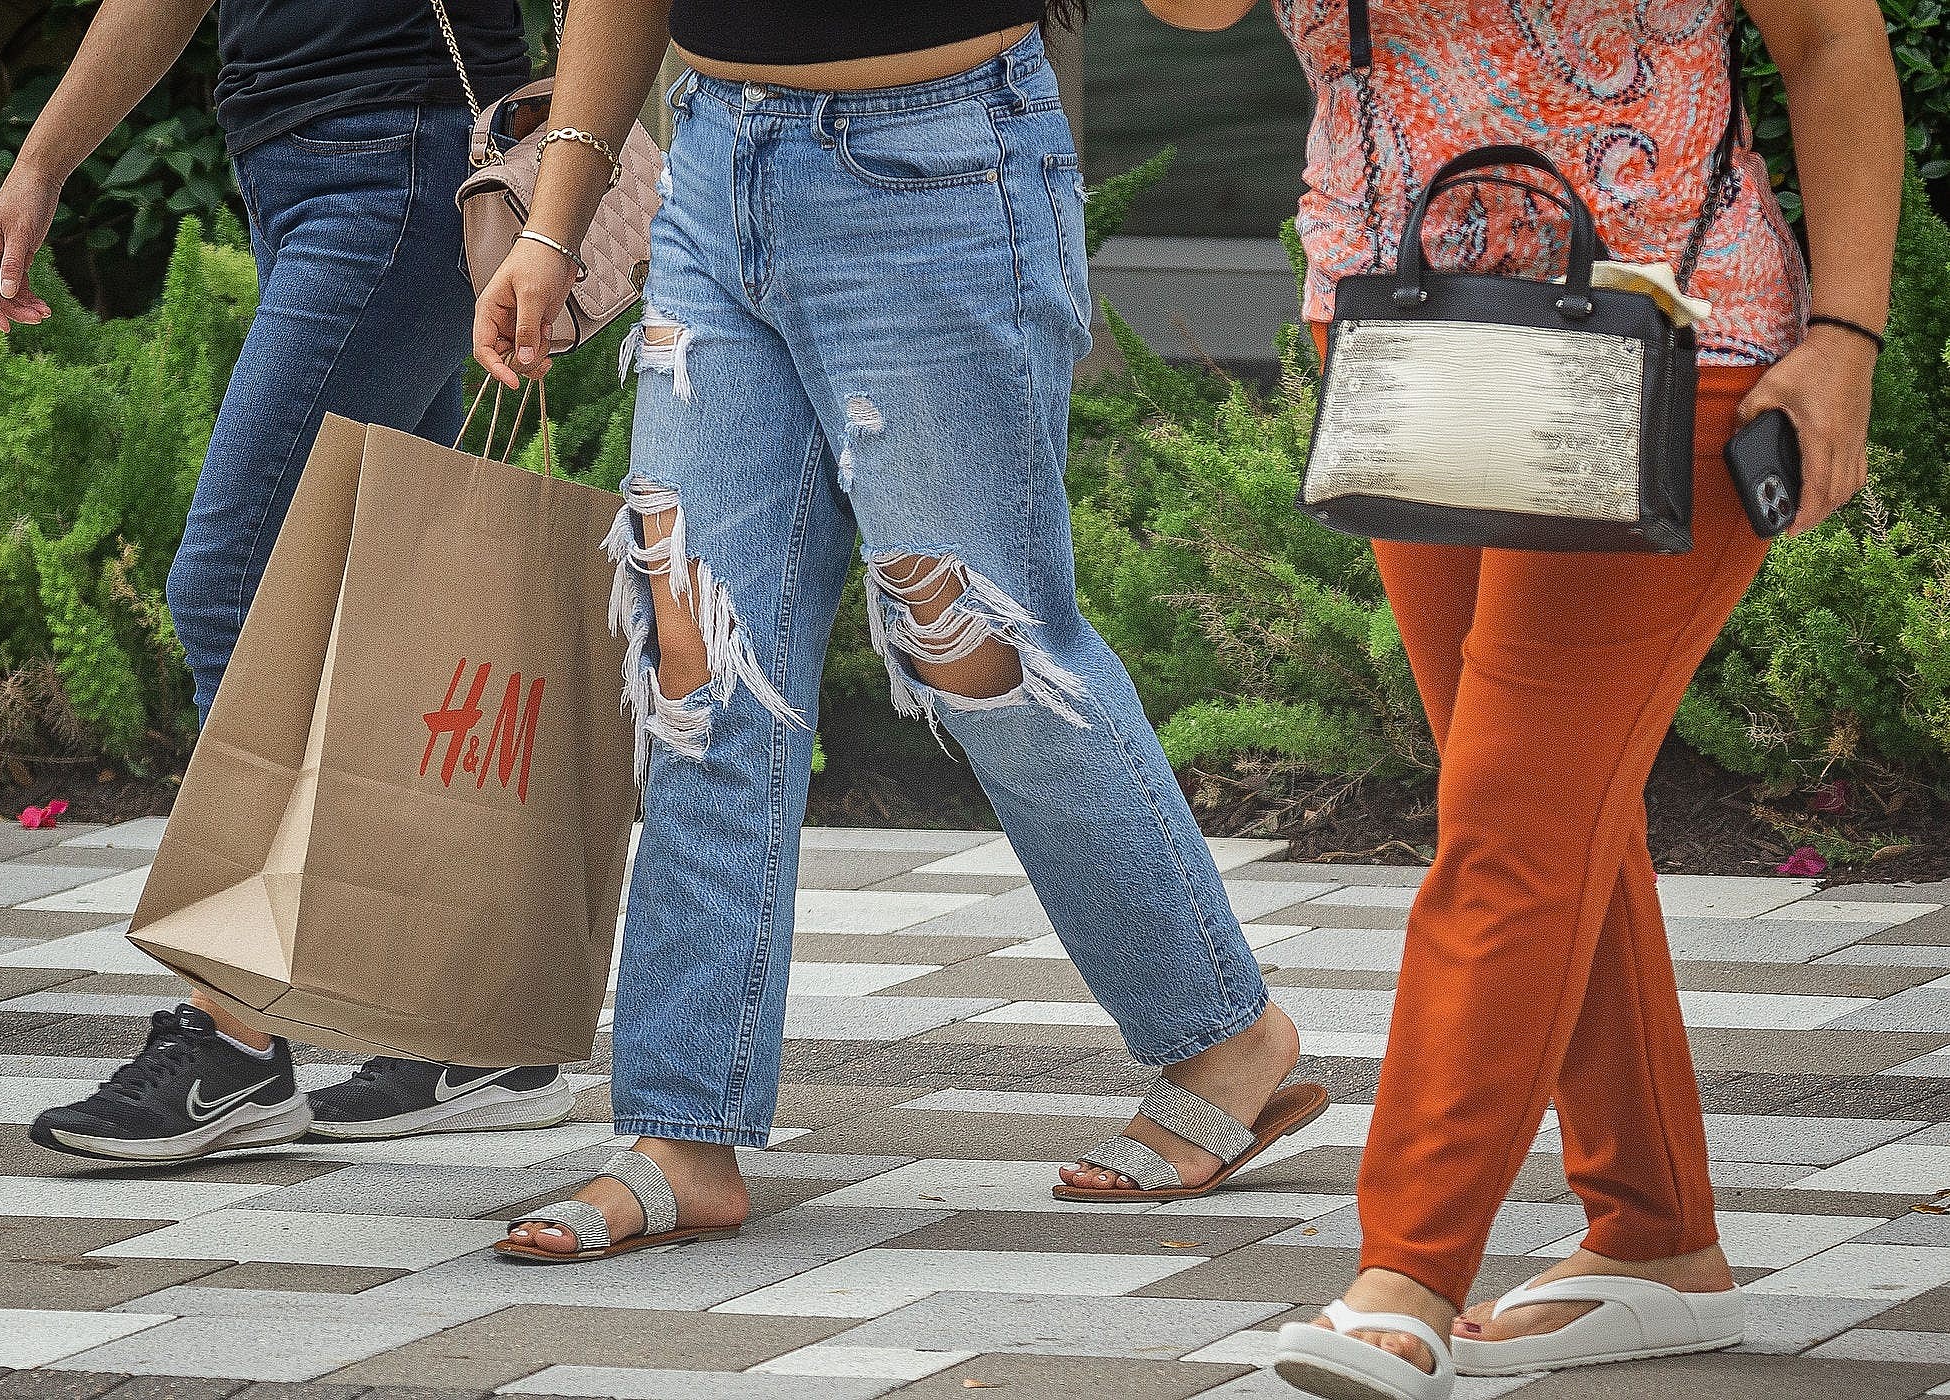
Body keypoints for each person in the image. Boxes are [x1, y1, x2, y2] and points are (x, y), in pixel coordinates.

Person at [470, 0, 1328, 1262]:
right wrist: (556, 221)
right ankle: (681, 1131)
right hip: (713, 168)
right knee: (697, 648)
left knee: (982, 649)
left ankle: (1225, 1035)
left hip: (938, 166)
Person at [1143, 0, 1902, 1394]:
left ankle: (1406, 1273)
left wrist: (1846, 333)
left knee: (1511, 819)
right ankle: (1657, 1235)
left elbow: (1835, 41)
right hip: (1408, 339)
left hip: (1676, 346)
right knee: (1556, 816)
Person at [0, 0, 574, 1161]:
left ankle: (234, 1038)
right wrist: (42, 162)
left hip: (398, 160)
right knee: (379, 607)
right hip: (312, 163)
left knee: (234, 589)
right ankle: (471, 1013)